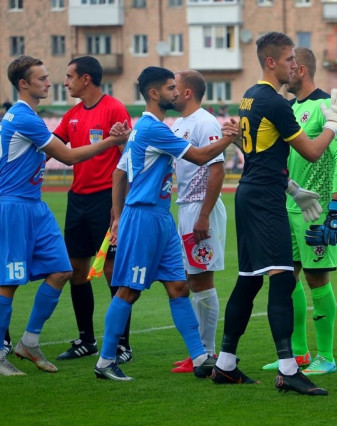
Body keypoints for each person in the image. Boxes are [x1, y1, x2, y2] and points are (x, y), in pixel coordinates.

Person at [211, 31, 337, 396]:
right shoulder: (276, 102)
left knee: (249, 279)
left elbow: (260, 156)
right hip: (265, 200)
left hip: (251, 193)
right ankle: (290, 369)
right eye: (289, 59)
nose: (295, 64)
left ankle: (225, 364)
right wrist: (334, 123)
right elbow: (312, 151)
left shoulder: (249, 96)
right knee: (282, 279)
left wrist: (292, 189)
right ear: (272, 62)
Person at [93, 66, 238, 381]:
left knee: (178, 286)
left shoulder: (149, 128)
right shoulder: (152, 129)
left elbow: (119, 173)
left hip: (161, 217)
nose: (176, 92)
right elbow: (199, 157)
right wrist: (228, 138)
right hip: (144, 217)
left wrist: (116, 216)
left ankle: (200, 356)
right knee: (129, 290)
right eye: (171, 88)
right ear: (154, 93)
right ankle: (105, 361)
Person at [0, 55, 128, 376]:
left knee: (62, 270)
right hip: (15, 205)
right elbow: (67, 156)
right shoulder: (23, 117)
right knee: (9, 281)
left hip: (37, 204)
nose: (51, 82)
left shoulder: (30, 117)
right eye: (42, 78)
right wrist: (112, 140)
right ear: (23, 84)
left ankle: (29, 343)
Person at [260, 47, 337, 376]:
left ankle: (326, 357)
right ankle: (299, 354)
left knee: (317, 279)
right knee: (287, 278)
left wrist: (335, 208)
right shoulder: (288, 108)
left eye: (290, 65)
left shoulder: (326, 107)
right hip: (289, 205)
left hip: (317, 210)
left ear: (300, 69)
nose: (285, 72)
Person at [53, 56, 133, 364]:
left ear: (85, 78)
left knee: (112, 270)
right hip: (77, 200)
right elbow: (52, 147)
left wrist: (119, 206)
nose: (65, 82)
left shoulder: (114, 109)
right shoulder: (72, 114)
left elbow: (128, 158)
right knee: (76, 270)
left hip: (106, 200)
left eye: (69, 76)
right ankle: (86, 340)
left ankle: (122, 344)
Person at [169, 70, 227, 373]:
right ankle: (198, 351)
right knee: (191, 279)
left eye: (174, 87)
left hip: (201, 209)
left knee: (202, 280)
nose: (171, 92)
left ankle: (207, 352)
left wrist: (204, 214)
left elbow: (217, 170)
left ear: (187, 92)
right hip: (186, 208)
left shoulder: (205, 122)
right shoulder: (179, 124)